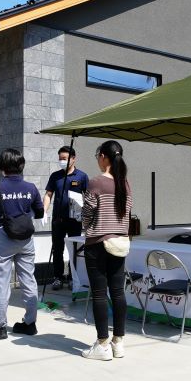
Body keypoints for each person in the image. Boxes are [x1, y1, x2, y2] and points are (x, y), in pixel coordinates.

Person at [0, 148, 44, 340]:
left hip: (2, 239)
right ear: (21, 165)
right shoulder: (31, 188)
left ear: (1, 167)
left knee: (1, 284)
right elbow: (40, 212)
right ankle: (30, 323)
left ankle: (0, 327)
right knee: (29, 280)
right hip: (25, 239)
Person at [81, 140, 132, 361]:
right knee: (118, 292)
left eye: (97, 156)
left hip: (98, 243)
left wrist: (86, 225)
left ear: (103, 156)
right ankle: (118, 342)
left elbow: (87, 214)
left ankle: (102, 344)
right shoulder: (126, 184)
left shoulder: (96, 182)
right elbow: (126, 214)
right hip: (119, 243)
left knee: (100, 294)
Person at [43, 146, 89, 290]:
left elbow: (88, 197)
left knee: (74, 249)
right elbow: (48, 194)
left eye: (65, 158)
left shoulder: (81, 176)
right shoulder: (55, 176)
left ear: (73, 158)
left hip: (75, 220)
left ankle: (72, 277)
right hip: (58, 219)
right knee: (57, 249)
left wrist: (87, 215)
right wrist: (44, 211)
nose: (62, 161)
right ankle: (58, 277)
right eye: (60, 158)